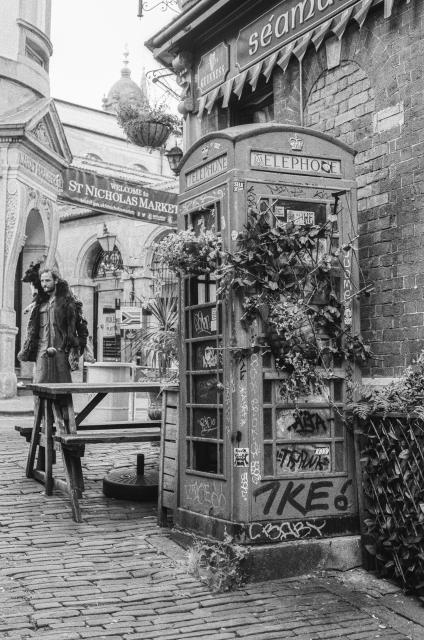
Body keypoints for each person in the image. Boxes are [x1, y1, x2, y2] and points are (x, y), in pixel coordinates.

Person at [18, 267, 88, 383]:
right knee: (41, 387)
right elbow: (32, 329)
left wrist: (78, 345)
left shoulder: (68, 301)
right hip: (42, 352)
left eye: (47, 280)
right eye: (42, 281)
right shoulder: (39, 303)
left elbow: (82, 326)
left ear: (56, 281)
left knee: (62, 389)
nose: (44, 284)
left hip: (61, 352)